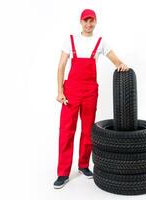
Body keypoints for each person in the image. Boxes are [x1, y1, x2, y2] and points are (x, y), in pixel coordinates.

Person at [54, 8, 129, 189]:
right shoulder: (71, 39)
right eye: (85, 21)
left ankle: (83, 165)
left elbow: (116, 60)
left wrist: (122, 64)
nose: (88, 24)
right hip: (71, 91)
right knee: (66, 131)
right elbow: (61, 66)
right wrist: (60, 91)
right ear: (81, 22)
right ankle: (63, 173)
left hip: (89, 92)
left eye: (91, 21)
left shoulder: (100, 42)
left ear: (95, 22)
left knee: (88, 131)